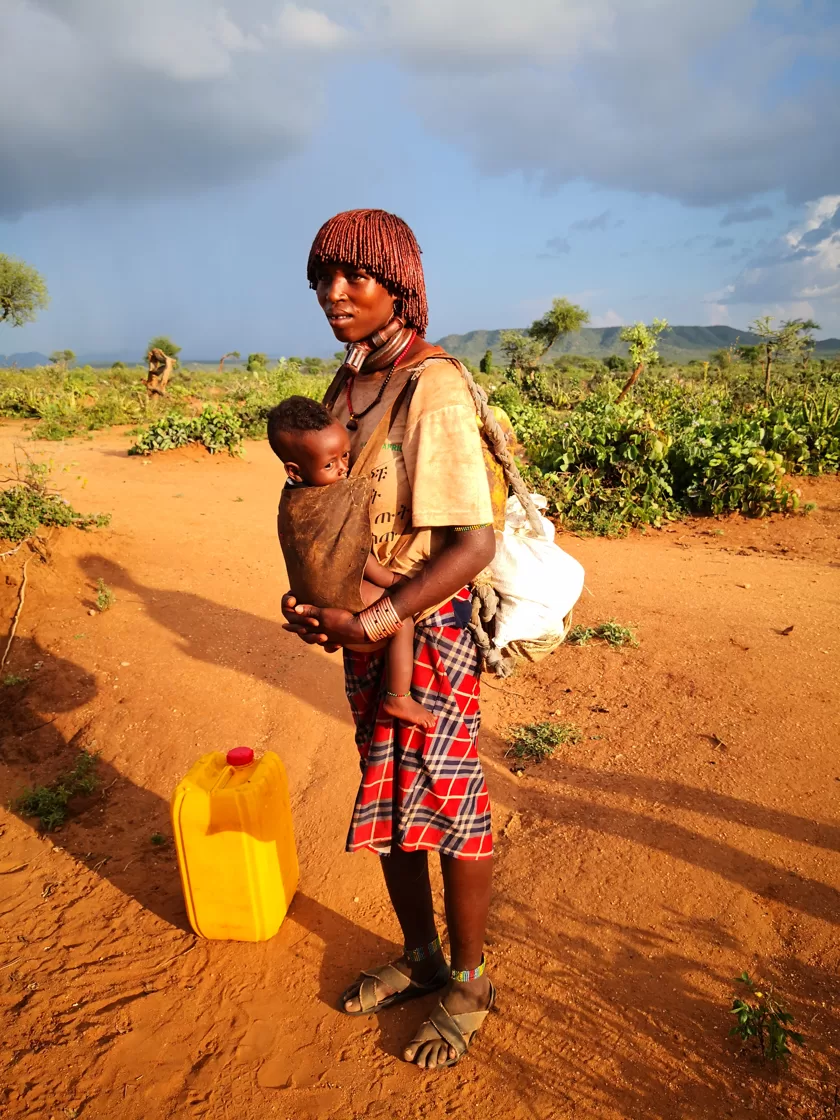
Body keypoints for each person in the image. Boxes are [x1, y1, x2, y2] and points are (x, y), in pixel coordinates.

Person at [281, 208, 498, 1070]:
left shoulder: (432, 387)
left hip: (428, 634)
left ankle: (472, 982)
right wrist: (317, 607)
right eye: (322, 279)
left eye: (354, 277)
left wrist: (372, 618)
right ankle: (422, 959)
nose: (334, 294)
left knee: (448, 808)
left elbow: (471, 544)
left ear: (400, 285)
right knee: (394, 804)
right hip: (371, 635)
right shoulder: (346, 384)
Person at [267, 395, 435, 729]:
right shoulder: (335, 498)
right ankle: (399, 698)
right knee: (402, 620)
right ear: (294, 469)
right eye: (331, 464)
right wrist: (393, 582)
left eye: (345, 455)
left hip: (308, 596)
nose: (344, 467)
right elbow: (358, 553)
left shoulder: (292, 497)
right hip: (345, 597)